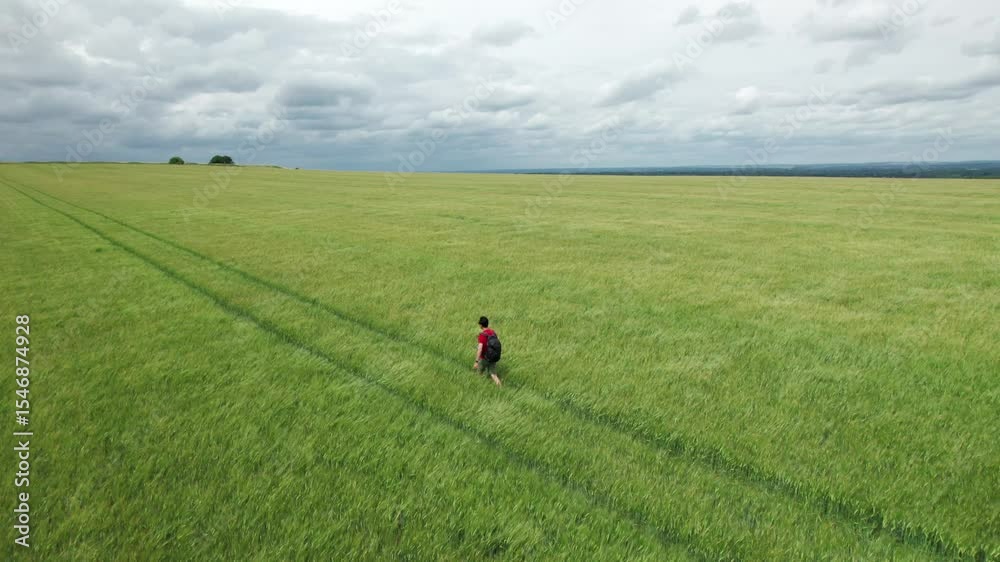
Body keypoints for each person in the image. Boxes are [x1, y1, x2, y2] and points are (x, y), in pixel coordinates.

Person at [474, 316, 502, 387]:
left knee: (479, 374)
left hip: (484, 358)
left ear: (481, 325)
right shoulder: (493, 332)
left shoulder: (482, 335)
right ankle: (501, 387)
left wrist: (476, 361)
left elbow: (480, 349)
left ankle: (478, 387)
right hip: (493, 357)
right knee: (493, 374)